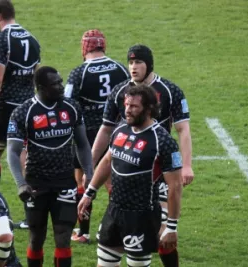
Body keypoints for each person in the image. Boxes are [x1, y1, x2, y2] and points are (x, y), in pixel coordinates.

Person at [92, 44, 193, 266]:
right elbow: (106, 128)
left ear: (149, 64)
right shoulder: (120, 92)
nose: (133, 67)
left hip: (158, 169)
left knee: (165, 228)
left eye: (138, 62)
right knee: (126, 226)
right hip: (129, 166)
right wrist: (91, 162)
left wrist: (186, 165)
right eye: (130, 62)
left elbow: (183, 129)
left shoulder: (170, 90)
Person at [78, 84, 183, 267]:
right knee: (104, 263)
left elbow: (175, 186)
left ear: (149, 108)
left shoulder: (163, 141)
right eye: (126, 105)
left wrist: (172, 227)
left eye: (134, 106)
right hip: (115, 210)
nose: (127, 110)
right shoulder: (121, 129)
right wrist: (89, 192)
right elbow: (107, 161)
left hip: (142, 216)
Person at [6, 66, 94, 267]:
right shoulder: (23, 113)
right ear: (41, 88)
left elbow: (82, 143)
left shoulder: (72, 107)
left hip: (65, 182)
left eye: (60, 81)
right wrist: (21, 184)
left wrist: (89, 172)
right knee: (36, 237)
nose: (61, 87)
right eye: (55, 83)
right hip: (36, 184)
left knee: (63, 237)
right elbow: (12, 152)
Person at [64, 29, 129, 244]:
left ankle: (82, 232)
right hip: (115, 131)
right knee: (112, 182)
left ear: (85, 47)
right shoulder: (121, 69)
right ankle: (120, 227)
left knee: (81, 181)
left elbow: (67, 104)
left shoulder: (79, 73)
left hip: (86, 134)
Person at [0, 0, 40, 189]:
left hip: (5, 106)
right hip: (28, 107)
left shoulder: (0, 40)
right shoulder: (33, 40)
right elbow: (35, 76)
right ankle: (34, 204)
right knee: (25, 158)